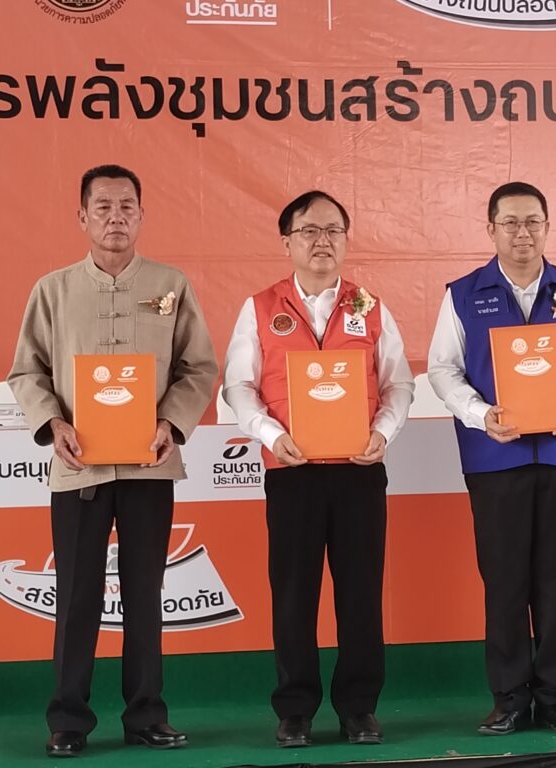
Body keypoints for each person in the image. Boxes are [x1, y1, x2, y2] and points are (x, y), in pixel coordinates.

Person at [8, 164, 218, 757]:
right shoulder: (52, 290)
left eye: (127, 206)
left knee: (145, 592)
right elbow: (26, 371)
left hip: (150, 466)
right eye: (102, 207)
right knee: (77, 594)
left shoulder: (171, 284)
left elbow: (199, 367)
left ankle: (146, 715)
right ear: (82, 217)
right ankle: (68, 720)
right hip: (80, 468)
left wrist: (170, 423)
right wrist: (53, 423)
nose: (115, 217)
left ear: (142, 215)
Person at [223, 191, 414, 748]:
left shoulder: (370, 307)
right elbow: (238, 385)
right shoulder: (260, 307)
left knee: (360, 593)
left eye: (333, 230)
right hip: (292, 471)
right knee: (293, 594)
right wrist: (271, 435)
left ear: (346, 241)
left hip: (358, 470)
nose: (321, 241)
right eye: (308, 230)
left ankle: (359, 708)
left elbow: (399, 382)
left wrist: (383, 433)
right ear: (287, 242)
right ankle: (295, 711)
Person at [427, 181, 556, 735]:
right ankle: (509, 697)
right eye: (510, 222)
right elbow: (443, 369)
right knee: (505, 581)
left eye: (533, 221)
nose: (522, 232)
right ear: (490, 229)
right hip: (495, 458)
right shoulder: (463, 294)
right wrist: (479, 413)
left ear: (548, 227)